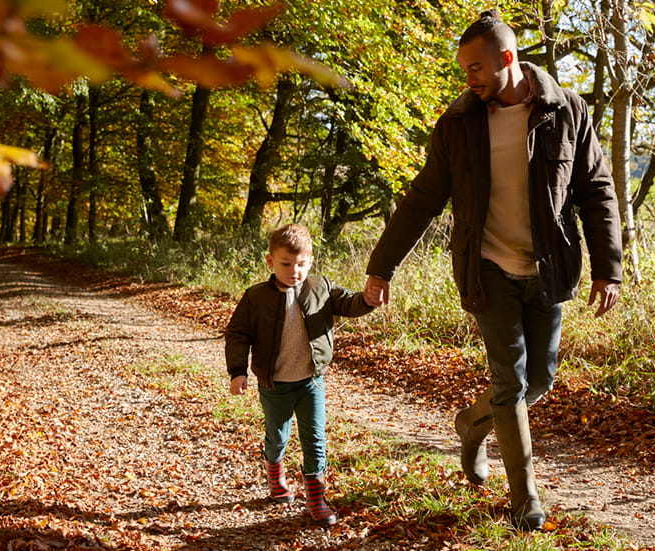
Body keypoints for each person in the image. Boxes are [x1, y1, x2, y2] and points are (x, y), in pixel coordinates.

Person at [363, 10, 623, 531]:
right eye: (464, 70)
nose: (469, 79)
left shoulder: (566, 111)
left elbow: (596, 190)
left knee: (539, 380)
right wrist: (382, 266)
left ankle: (471, 423)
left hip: (549, 268)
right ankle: (525, 495)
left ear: (507, 59)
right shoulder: (457, 123)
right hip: (488, 270)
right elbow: (422, 200)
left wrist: (608, 266)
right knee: (509, 383)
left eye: (475, 68)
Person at [226, 223, 376, 527]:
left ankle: (315, 499)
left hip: (310, 382)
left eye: (302, 264)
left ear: (311, 260)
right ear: (270, 261)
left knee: (315, 440)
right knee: (277, 438)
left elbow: (349, 303)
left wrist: (368, 300)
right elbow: (238, 334)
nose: (295, 271)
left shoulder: (321, 287)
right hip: (275, 385)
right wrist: (237, 372)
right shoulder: (255, 297)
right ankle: (275, 471)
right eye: (286, 264)